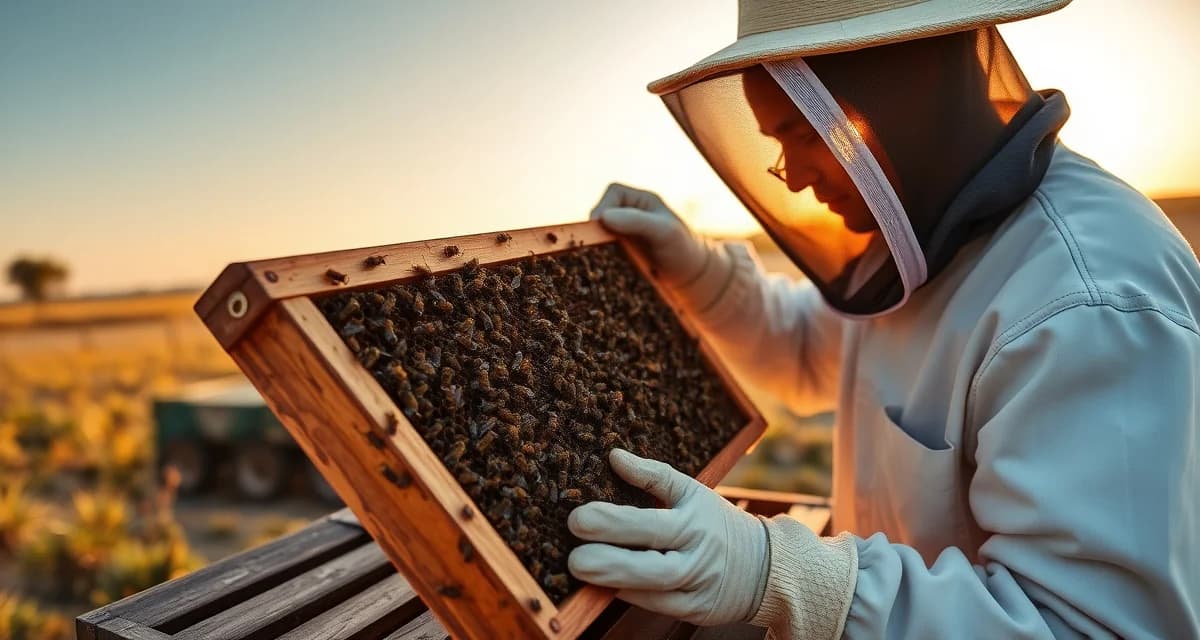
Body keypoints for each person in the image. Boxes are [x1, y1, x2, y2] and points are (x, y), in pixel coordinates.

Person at [565, 1, 1200, 637]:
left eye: (806, 132)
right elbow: (810, 354)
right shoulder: (919, 236)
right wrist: (701, 273)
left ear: (908, 89)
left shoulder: (1090, 300)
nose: (793, 177)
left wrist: (785, 579)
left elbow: (1093, 627)